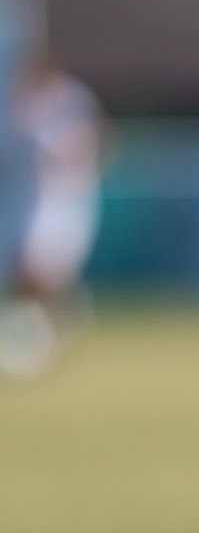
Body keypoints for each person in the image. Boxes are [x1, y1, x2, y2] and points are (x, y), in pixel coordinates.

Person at [0, 50, 106, 380]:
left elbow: (100, 137)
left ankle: (50, 330)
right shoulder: (30, 100)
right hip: (42, 198)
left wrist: (76, 161)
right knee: (33, 273)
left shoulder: (74, 99)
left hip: (71, 198)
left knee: (46, 273)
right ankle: (45, 330)